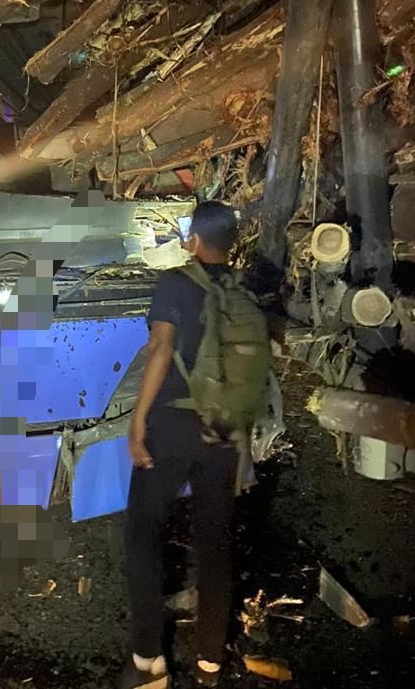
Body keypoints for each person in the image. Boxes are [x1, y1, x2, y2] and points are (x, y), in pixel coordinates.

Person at [122, 201, 244, 689]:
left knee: (143, 533)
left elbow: (162, 347)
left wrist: (138, 419)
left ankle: (148, 661)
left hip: (173, 426)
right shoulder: (245, 288)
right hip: (225, 429)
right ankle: (210, 663)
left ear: (192, 240)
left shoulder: (174, 283)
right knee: (214, 543)